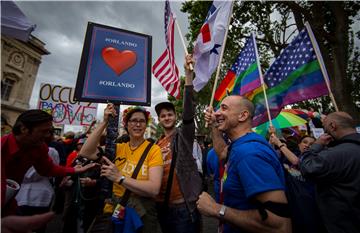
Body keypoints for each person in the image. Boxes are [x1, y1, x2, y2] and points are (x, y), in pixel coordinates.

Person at [199, 96, 291, 233]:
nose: (216, 113)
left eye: (224, 108)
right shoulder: (239, 145)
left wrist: (216, 209)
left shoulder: (249, 153)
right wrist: (214, 125)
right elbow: (222, 154)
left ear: (243, 115)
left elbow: (280, 225)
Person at [79, 105, 163, 233]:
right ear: (126, 124)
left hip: (143, 210)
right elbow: (85, 152)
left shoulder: (154, 150)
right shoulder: (117, 148)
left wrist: (120, 178)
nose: (138, 124)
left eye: (142, 121)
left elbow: (154, 189)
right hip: (117, 206)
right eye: (133, 120)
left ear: (146, 125)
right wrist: (105, 122)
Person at [1, 110, 96, 217]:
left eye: (49, 131)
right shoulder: (2, 147)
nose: (48, 136)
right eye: (44, 131)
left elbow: (47, 169)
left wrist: (74, 170)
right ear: (24, 129)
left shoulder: (39, 147)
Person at [154, 54, 202, 233]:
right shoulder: (156, 145)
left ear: (175, 117)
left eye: (170, 114)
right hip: (161, 208)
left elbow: (188, 112)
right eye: (163, 115)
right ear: (159, 120)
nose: (166, 117)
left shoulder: (184, 136)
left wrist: (188, 75)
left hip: (183, 209)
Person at [299, 112, 360, 233]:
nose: (324, 131)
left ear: (333, 126)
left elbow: (307, 167)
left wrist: (316, 145)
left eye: (325, 127)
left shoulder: (336, 154)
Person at [15, 129, 60, 233]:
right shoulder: (52, 152)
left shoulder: (22, 149)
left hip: (21, 192)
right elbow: (53, 171)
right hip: (42, 193)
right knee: (38, 226)